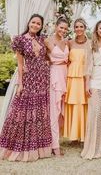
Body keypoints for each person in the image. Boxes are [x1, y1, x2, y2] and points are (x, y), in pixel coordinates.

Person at [0, 14, 52, 161]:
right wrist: (20, 83)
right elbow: (20, 64)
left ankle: (38, 148)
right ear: (28, 23)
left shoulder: (42, 39)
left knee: (39, 112)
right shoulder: (20, 40)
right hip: (28, 80)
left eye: (38, 24)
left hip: (42, 79)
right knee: (21, 111)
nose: (35, 25)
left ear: (41, 26)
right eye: (33, 22)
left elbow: (49, 55)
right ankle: (18, 146)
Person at [81, 20, 101, 159]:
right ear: (96, 29)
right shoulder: (91, 45)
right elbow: (88, 66)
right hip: (95, 80)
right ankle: (92, 146)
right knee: (95, 114)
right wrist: (87, 84)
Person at [63, 18, 90, 144]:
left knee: (83, 104)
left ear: (85, 28)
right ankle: (73, 136)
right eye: (76, 27)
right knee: (72, 104)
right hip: (72, 77)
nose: (79, 29)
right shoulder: (69, 43)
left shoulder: (90, 43)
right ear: (74, 29)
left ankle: (84, 135)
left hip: (84, 76)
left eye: (81, 26)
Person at [45, 16, 69, 156]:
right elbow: (42, 57)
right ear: (56, 26)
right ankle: (55, 147)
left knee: (61, 112)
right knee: (54, 111)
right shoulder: (48, 40)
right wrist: (50, 62)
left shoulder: (66, 42)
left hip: (66, 76)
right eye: (61, 27)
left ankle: (56, 140)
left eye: (65, 29)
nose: (63, 30)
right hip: (55, 77)